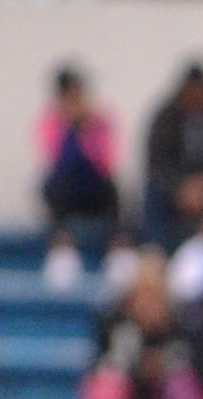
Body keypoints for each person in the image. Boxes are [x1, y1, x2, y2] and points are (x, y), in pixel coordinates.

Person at [36, 65, 124, 283]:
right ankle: (61, 245)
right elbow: (56, 159)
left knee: (112, 190)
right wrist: (70, 127)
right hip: (67, 188)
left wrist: (85, 128)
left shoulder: (99, 121)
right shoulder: (51, 122)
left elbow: (104, 161)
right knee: (50, 187)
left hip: (95, 186)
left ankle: (117, 247)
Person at [142, 60, 203, 244]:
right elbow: (157, 162)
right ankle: (156, 251)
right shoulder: (165, 117)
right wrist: (180, 187)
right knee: (153, 192)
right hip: (174, 188)